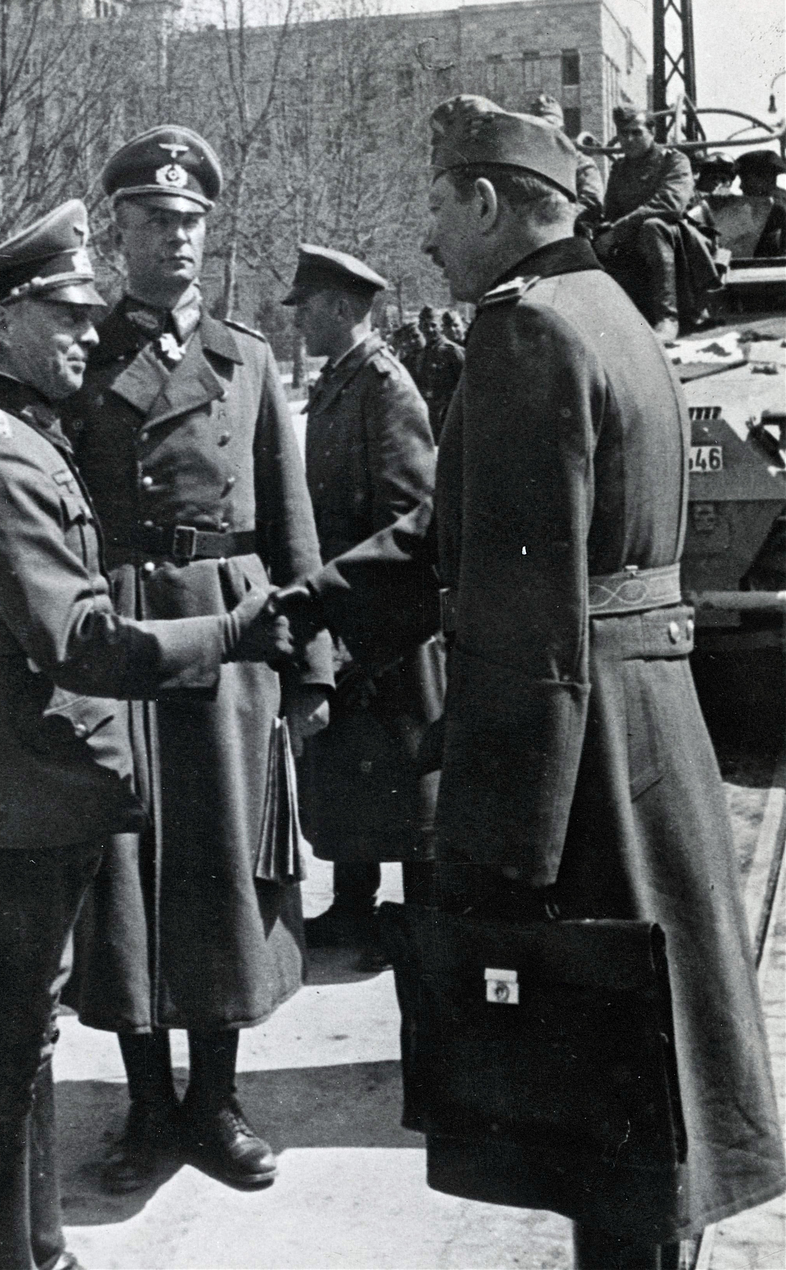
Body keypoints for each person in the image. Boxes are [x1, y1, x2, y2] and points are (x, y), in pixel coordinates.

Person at [276, 95, 785, 1270]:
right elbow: (460, 542)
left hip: (581, 753)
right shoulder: (605, 312)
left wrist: (500, 843)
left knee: (605, 1107)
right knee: (651, 1098)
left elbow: (519, 616)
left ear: (492, 203)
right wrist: (297, 608)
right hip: (648, 734)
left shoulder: (524, 334)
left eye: (440, 208)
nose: (429, 241)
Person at [0, 199, 292, 1270]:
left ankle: (39, 1249)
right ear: (1, 324)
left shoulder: (16, 431)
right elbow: (76, 635)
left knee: (22, 1032)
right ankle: (5, 1258)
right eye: (64, 313)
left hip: (28, 780)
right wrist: (225, 630)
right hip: (6, 788)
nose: (87, 330)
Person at [61, 125, 333, 1195]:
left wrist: (310, 667)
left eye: (189, 224)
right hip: (126, 629)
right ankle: (144, 1104)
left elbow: (293, 520)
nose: (174, 242)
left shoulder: (246, 357)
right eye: (152, 224)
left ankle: (214, 1101)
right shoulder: (85, 358)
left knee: (222, 863)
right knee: (128, 870)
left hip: (232, 632)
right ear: (118, 234)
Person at [284, 244, 440, 972]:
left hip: (385, 623)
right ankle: (354, 906)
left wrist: (364, 625)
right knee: (353, 769)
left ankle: (411, 919)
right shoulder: (339, 382)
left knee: (402, 772)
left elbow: (409, 516)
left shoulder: (385, 386)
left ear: (342, 309)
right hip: (347, 610)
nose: (299, 322)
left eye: (308, 308)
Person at [596, 105, 715, 340]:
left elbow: (670, 205)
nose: (628, 139)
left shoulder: (675, 161)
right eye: (623, 134)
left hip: (678, 241)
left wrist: (618, 230)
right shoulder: (619, 169)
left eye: (636, 132)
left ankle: (668, 318)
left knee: (653, 227)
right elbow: (611, 213)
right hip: (634, 242)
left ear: (652, 132)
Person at [529, 91, 604, 230]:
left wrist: (555, 218)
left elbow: (592, 203)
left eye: (549, 124)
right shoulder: (528, 163)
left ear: (562, 129)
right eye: (537, 126)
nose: (544, 131)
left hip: (570, 231)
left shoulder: (580, 162)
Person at [414, 305, 464, 443]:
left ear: (441, 326)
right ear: (420, 327)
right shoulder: (421, 354)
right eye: (425, 325)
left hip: (449, 418)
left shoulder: (452, 351)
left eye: (433, 325)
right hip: (429, 418)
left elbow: (466, 385)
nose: (429, 329)